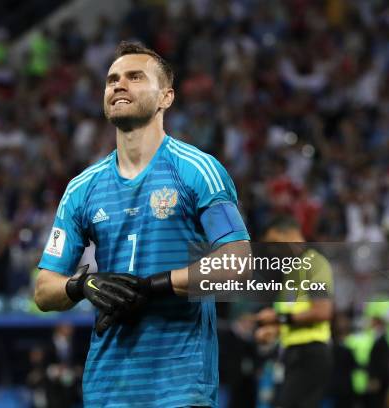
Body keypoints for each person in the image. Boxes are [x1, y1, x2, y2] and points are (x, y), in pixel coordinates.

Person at [34, 41, 250, 407]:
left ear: (166, 97)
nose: (119, 85)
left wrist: (155, 285)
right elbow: (43, 290)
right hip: (107, 390)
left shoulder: (197, 170)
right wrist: (82, 285)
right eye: (112, 79)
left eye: (135, 77)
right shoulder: (81, 189)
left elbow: (237, 260)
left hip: (180, 388)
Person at [255, 216, 334, 408]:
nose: (272, 251)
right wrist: (273, 331)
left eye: (274, 243)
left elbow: (322, 311)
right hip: (293, 354)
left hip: (311, 353)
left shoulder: (315, 263)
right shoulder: (291, 272)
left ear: (291, 235)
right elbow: (293, 317)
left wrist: (276, 317)